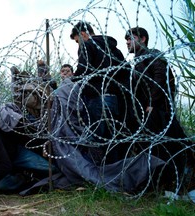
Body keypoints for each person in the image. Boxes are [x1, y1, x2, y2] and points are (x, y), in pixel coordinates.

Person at [124, 27, 194, 185]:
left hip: (159, 108)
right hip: (151, 109)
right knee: (161, 144)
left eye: (130, 38)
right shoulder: (139, 61)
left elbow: (160, 76)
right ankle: (166, 180)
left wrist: (152, 103)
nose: (127, 42)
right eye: (126, 39)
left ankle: (183, 176)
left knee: (173, 142)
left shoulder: (152, 54)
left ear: (142, 39)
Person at [70, 21, 128, 164]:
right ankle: (117, 174)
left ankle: (101, 176)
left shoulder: (88, 45)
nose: (78, 44)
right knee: (113, 139)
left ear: (83, 34)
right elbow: (125, 71)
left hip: (97, 98)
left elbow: (83, 70)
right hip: (114, 99)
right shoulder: (113, 48)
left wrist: (71, 81)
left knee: (97, 140)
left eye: (77, 41)